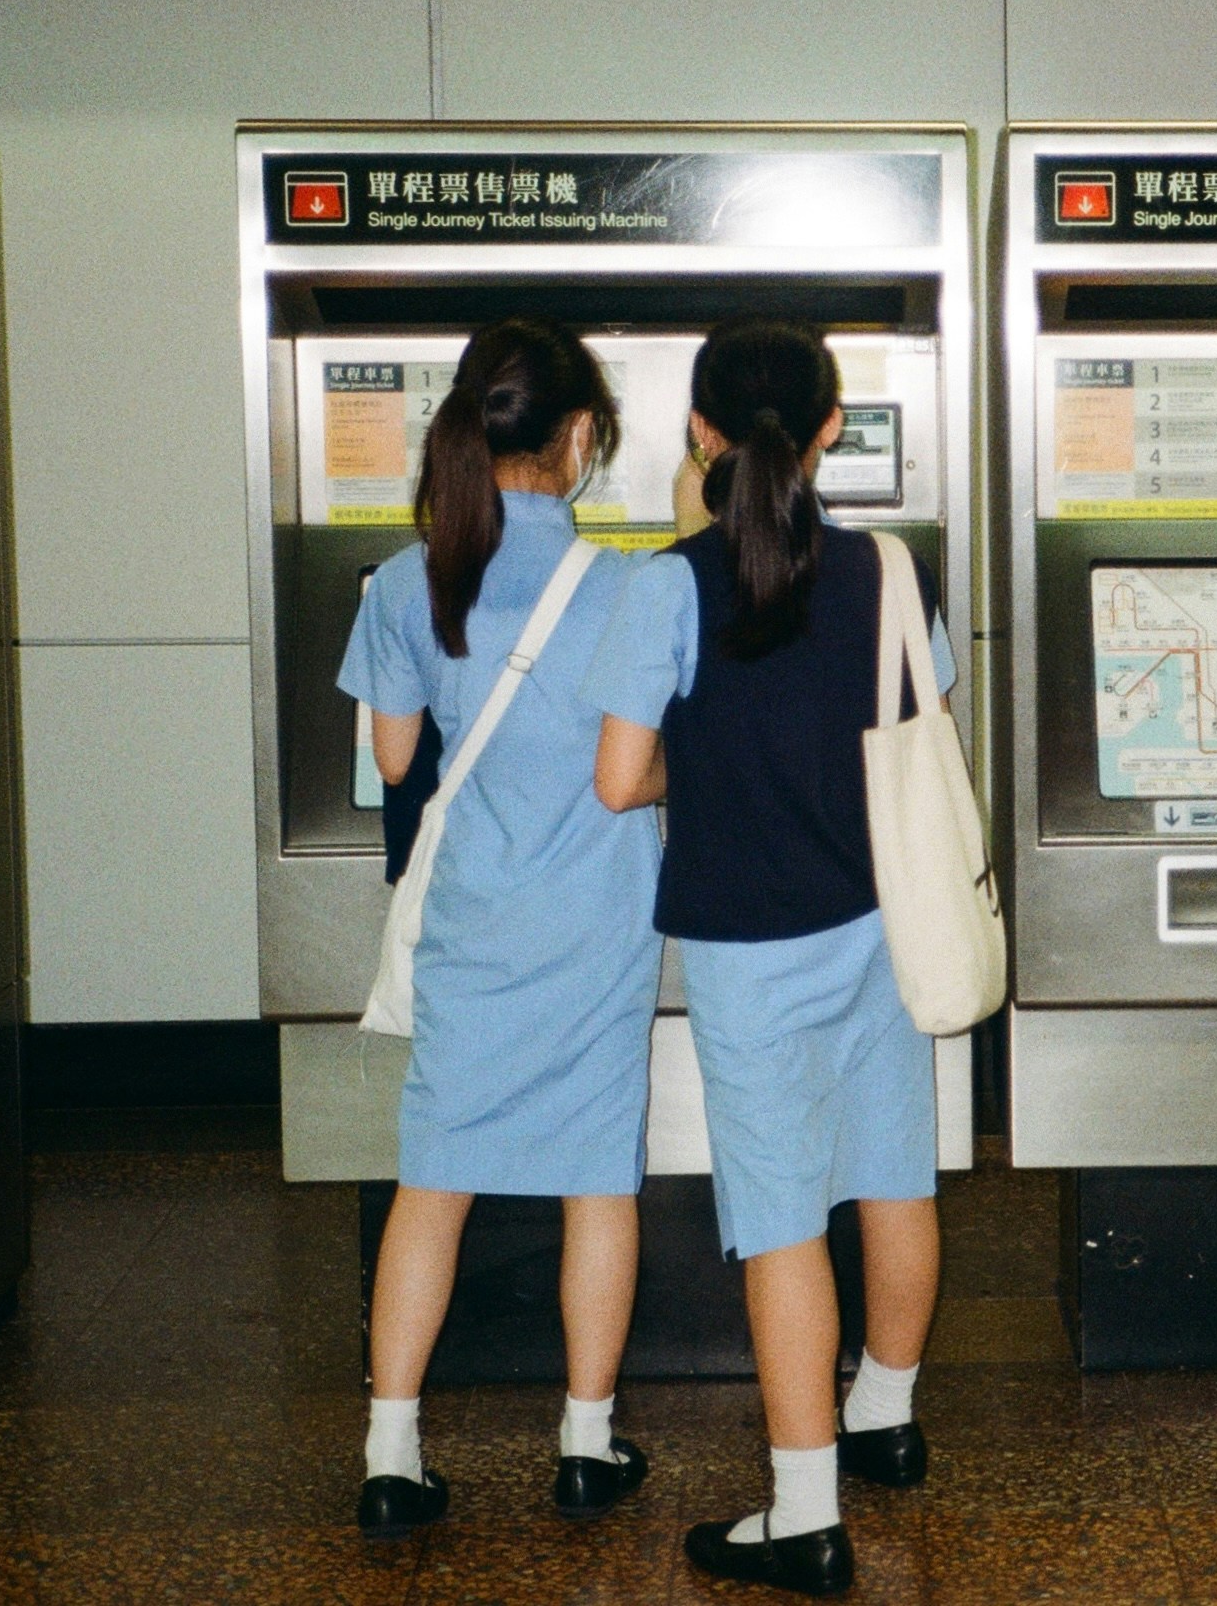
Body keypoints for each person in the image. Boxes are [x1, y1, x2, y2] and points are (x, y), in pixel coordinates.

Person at [586, 318, 952, 1599]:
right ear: (830, 430)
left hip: (746, 942)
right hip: (879, 919)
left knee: (782, 1218)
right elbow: (913, 728)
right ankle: (886, 1416)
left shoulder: (663, 584)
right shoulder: (889, 571)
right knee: (895, 1167)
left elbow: (620, 776)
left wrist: (722, 756)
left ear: (695, 435)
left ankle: (804, 1513)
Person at [338, 317, 662, 1539]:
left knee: (434, 1180)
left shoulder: (401, 582)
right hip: (596, 922)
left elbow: (394, 755)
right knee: (595, 1182)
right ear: (579, 437)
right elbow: (639, 763)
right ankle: (585, 1441)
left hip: (469, 925)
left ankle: (391, 1448)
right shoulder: (639, 586)